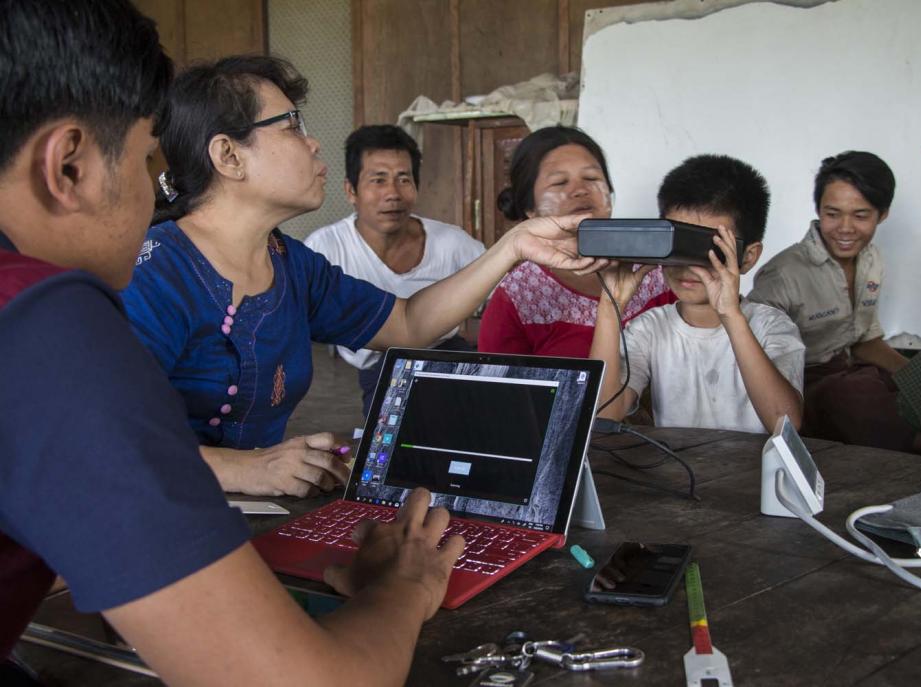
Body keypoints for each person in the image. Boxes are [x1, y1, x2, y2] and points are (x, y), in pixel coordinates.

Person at [0, 2, 463, 685]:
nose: (158, 192)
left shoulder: (291, 264)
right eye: (142, 158)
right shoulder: (44, 325)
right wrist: (405, 584)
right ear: (68, 166)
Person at [121, 58, 601, 498]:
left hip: (253, 511)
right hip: (155, 516)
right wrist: (242, 469)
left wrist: (512, 246)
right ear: (228, 156)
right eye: (292, 127)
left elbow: (409, 322)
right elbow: (101, 438)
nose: (312, 143)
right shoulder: (154, 274)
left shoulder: (291, 264)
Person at [590, 154, 804, 433]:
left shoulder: (772, 327)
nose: (688, 266)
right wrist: (610, 307)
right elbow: (606, 413)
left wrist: (731, 316)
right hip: (681, 473)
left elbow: (785, 425)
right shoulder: (651, 329)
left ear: (748, 257)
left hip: (754, 472)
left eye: (707, 249)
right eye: (676, 244)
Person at [304, 125, 484, 416]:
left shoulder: (452, 242)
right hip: (380, 367)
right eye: (378, 180)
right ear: (351, 190)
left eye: (404, 179)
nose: (393, 194)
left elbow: (504, 294)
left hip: (449, 354)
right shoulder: (325, 247)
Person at [748, 151, 917, 451]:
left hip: (852, 372)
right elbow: (750, 357)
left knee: (918, 392)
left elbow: (864, 340)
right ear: (818, 209)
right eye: (833, 213)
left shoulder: (872, 260)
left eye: (861, 215)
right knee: (866, 402)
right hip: (802, 385)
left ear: (883, 213)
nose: (845, 228)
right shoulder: (784, 273)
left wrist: (919, 377)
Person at [478, 126, 675, 358]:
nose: (580, 190)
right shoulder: (517, 297)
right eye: (560, 183)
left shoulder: (657, 271)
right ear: (529, 208)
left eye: (592, 178)